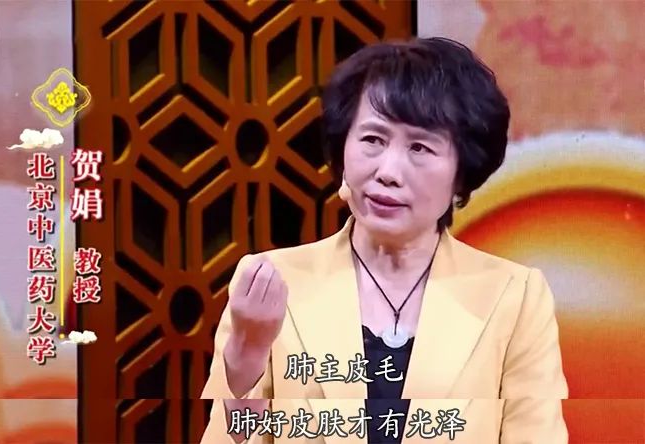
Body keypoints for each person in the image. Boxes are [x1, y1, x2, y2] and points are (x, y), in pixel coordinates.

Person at [201, 37, 568, 443]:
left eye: (420, 147)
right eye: (373, 140)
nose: (388, 171)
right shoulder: (272, 282)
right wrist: (246, 356)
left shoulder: (515, 297)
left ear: (462, 172)